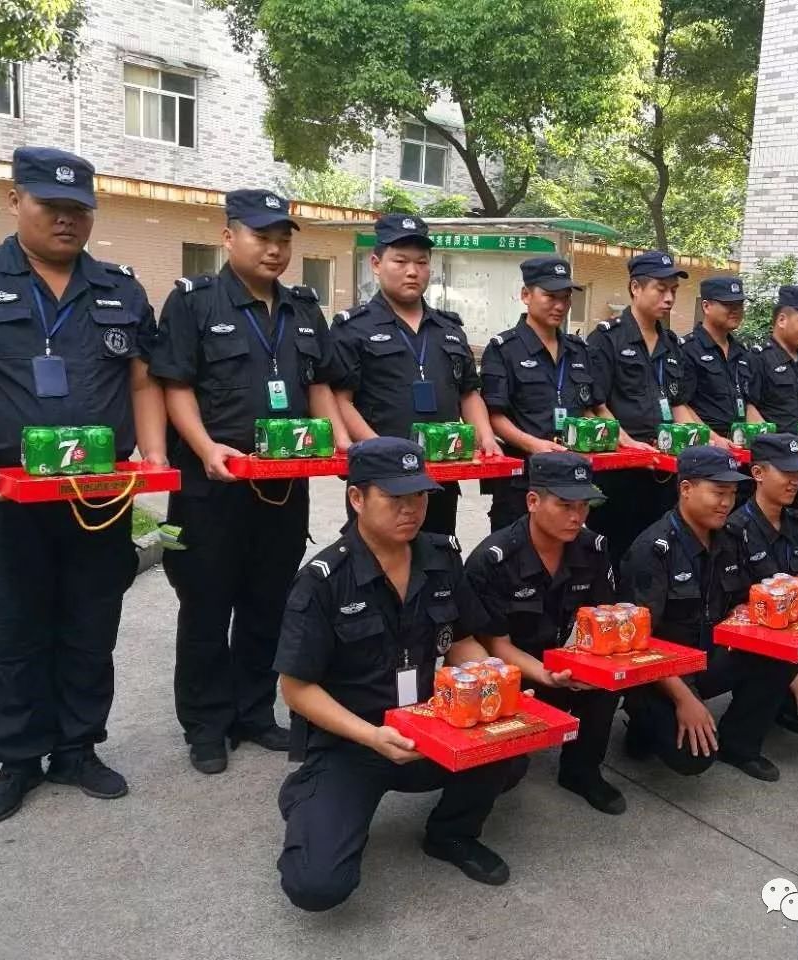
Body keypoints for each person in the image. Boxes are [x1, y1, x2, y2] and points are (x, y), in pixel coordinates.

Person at [0, 147, 167, 823]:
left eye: (78, 209)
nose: (65, 219)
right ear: (13, 201)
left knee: (90, 624)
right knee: (12, 629)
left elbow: (142, 380)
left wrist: (153, 455)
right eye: (50, 205)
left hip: (97, 499)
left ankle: (77, 748)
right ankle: (18, 759)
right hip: (5, 497)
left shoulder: (120, 289)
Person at [274, 438, 527, 912]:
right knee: (316, 886)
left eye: (419, 496)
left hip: (431, 725)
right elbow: (295, 688)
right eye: (395, 498)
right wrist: (372, 736)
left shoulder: (440, 557)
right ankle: (309, 792)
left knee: (510, 756)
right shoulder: (324, 580)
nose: (411, 509)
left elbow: (461, 638)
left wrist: (489, 679)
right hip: (354, 741)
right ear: (357, 498)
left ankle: (451, 835)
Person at [148, 188, 345, 775]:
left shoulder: (303, 308)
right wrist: (205, 447)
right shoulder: (194, 301)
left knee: (269, 602)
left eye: (283, 240)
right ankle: (207, 725)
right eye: (262, 237)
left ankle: (254, 712)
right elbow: (175, 384)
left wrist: (337, 443)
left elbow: (319, 385)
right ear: (229, 236)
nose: (275, 249)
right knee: (206, 606)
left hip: (283, 487)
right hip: (212, 487)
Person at [619, 446, 794, 781]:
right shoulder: (652, 551)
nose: (727, 503)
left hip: (708, 656)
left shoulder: (729, 538)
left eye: (732, 493)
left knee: (780, 651)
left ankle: (739, 745)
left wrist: (747, 615)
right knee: (693, 758)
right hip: (658, 673)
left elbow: (742, 598)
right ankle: (643, 725)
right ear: (686, 489)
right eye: (718, 492)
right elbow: (637, 643)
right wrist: (685, 699)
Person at [464, 453, 624, 814]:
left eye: (584, 506)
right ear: (533, 501)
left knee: (607, 678)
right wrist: (547, 674)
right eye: (565, 505)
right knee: (507, 771)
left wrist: (587, 663)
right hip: (513, 674)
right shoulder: (494, 560)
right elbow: (494, 644)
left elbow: (603, 617)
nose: (576, 517)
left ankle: (582, 771)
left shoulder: (592, 548)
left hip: (563, 660)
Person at [329, 213, 499, 536]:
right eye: (401, 261)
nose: (412, 271)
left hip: (440, 476)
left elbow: (468, 393)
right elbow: (341, 399)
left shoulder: (449, 329)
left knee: (437, 556)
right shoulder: (353, 328)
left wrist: (486, 437)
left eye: (421, 262)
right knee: (376, 560)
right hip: (380, 478)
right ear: (376, 263)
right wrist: (379, 448)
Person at [587, 250, 694, 566]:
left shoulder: (671, 344)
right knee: (616, 554)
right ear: (636, 288)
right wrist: (629, 444)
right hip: (621, 471)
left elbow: (678, 404)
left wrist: (703, 440)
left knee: (659, 554)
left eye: (673, 290)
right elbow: (596, 405)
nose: (669, 298)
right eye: (661, 289)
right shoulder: (606, 339)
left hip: (664, 470)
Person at [480, 257, 598, 532]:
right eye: (550, 296)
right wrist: (533, 445)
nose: (560, 306)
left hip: (571, 478)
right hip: (523, 479)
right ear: (526, 295)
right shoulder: (503, 349)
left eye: (565, 298)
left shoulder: (578, 350)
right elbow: (494, 415)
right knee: (516, 552)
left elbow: (588, 409)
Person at [724, 434, 798, 735]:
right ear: (758, 473)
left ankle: (785, 706)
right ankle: (739, 742)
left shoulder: (795, 522)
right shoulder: (735, 530)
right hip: (757, 637)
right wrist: (791, 671)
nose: (795, 480)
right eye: (786, 471)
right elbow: (736, 609)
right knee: (770, 673)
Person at [678, 275, 761, 448]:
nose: (736, 310)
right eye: (728, 304)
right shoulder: (688, 350)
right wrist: (715, 439)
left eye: (739, 305)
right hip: (705, 444)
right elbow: (681, 405)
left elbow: (748, 403)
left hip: (741, 444)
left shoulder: (742, 352)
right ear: (706, 306)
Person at [747, 285, 798, 436]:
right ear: (782, 320)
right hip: (773, 445)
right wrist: (770, 442)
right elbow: (749, 408)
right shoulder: (759, 358)